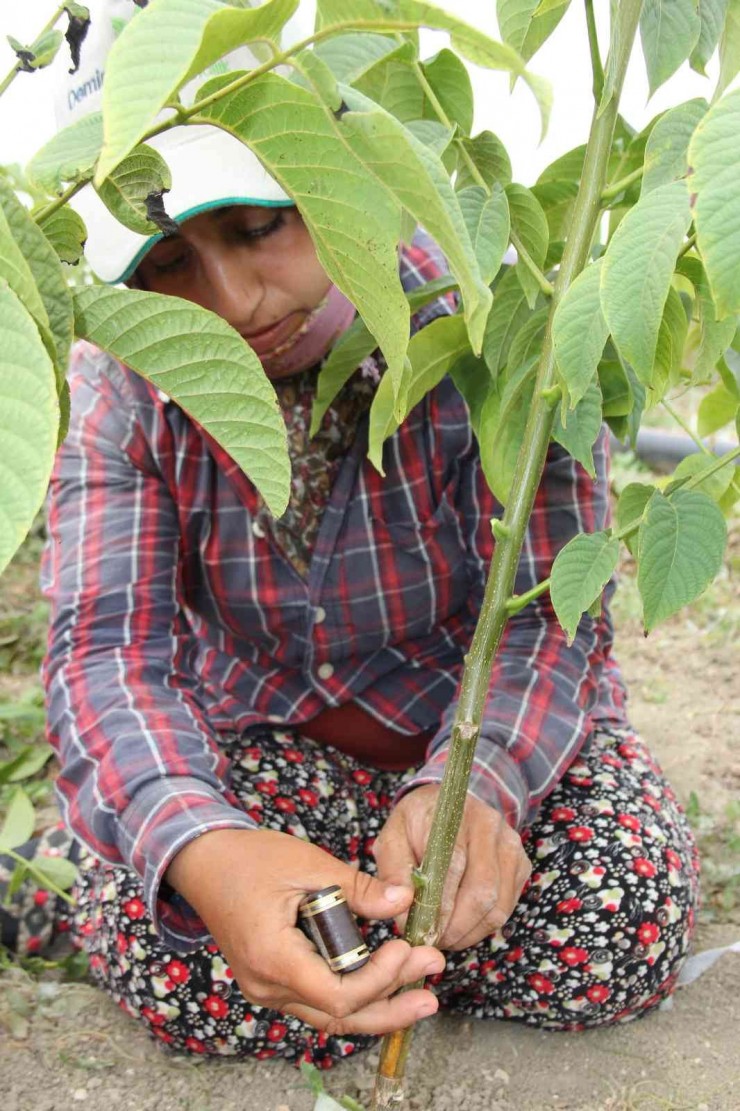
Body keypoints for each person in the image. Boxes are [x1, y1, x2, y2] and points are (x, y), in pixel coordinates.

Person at [6, 0, 700, 1070]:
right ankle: (233, 907)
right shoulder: (128, 380)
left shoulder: (484, 311)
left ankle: (349, 945)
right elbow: (107, 652)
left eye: (257, 227)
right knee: (177, 938)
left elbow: (551, 623)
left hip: (479, 747)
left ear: (337, 179)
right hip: (267, 759)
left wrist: (481, 787)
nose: (232, 301)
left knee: (622, 911)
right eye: (167, 265)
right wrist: (211, 851)